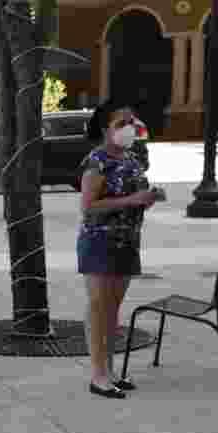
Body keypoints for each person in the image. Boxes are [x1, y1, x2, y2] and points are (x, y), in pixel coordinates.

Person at [78, 99, 160, 398]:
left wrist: (148, 197)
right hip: (100, 242)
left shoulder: (132, 159)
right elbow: (88, 208)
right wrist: (132, 201)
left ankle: (109, 372)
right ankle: (98, 376)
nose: (129, 128)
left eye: (131, 122)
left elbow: (134, 195)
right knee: (100, 309)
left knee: (112, 311)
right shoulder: (96, 162)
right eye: (120, 123)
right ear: (105, 129)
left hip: (127, 243)